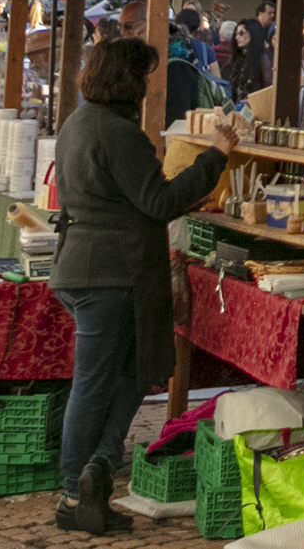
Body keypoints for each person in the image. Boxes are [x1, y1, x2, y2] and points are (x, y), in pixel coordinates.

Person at [50, 35, 238, 536]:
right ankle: (74, 493)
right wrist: (214, 156)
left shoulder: (77, 122)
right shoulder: (117, 133)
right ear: (128, 82)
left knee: (130, 376)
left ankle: (95, 473)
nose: (147, 89)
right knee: (95, 384)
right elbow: (159, 202)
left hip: (87, 269)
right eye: (145, 79)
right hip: (109, 275)